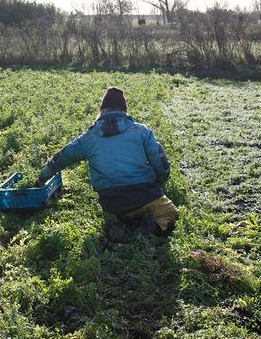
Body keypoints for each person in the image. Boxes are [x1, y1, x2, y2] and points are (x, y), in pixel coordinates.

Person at [35, 87, 178, 242]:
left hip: (112, 201)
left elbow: (60, 159)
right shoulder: (142, 131)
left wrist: (42, 179)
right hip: (145, 195)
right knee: (170, 213)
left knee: (116, 211)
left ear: (102, 110)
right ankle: (149, 229)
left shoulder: (87, 138)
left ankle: (116, 221)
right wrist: (160, 183)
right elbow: (159, 160)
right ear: (124, 109)